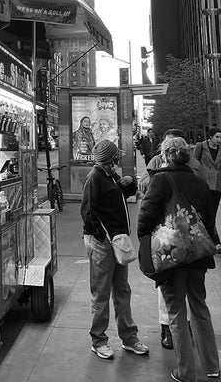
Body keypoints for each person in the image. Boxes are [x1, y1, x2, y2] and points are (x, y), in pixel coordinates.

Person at [138, 137, 220, 382]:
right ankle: (212, 366)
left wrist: (147, 239)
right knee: (200, 307)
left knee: (175, 311)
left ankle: (185, 372)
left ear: (165, 155)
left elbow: (146, 216)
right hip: (197, 255)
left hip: (171, 256)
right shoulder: (199, 181)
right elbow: (209, 220)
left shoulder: (161, 179)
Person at [80, 139, 149, 360]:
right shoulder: (95, 178)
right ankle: (98, 340)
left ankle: (129, 338)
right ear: (111, 160)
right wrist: (103, 239)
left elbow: (123, 193)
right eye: (116, 158)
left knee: (122, 290)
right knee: (101, 293)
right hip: (104, 244)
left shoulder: (110, 175)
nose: (118, 160)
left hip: (117, 243)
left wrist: (129, 182)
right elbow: (88, 213)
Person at [139, 128, 206, 351]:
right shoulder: (161, 170)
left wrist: (145, 238)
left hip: (172, 245)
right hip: (194, 246)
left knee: (172, 296)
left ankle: (181, 356)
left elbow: (146, 213)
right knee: (195, 299)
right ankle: (208, 361)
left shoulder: (171, 174)